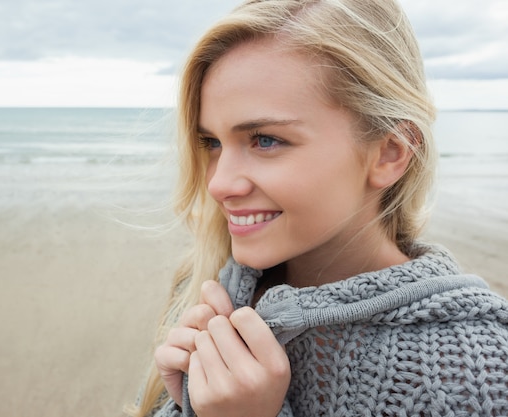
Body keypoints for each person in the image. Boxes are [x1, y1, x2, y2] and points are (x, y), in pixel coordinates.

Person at [127, 1, 508, 416]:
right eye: (212, 143)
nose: (218, 184)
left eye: (265, 140)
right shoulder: (205, 287)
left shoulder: (474, 371)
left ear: (390, 153)